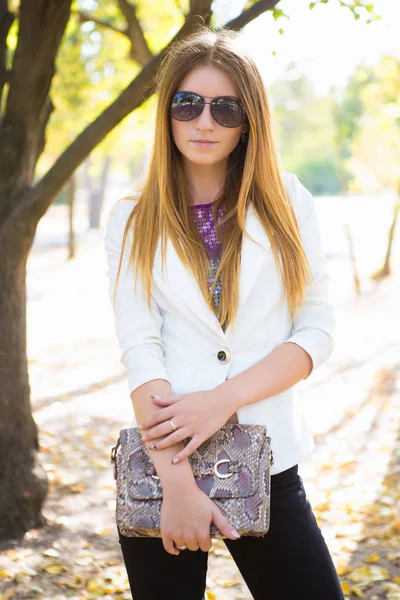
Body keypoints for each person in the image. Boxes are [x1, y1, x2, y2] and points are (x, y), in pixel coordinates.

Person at [104, 26, 344, 600]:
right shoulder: (131, 216)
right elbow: (140, 347)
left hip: (269, 457)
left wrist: (221, 400)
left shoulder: (288, 201)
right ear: (168, 114)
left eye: (225, 108)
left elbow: (317, 329)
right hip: (165, 471)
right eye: (188, 104)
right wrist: (178, 484)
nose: (204, 122)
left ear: (250, 120)